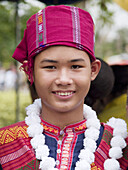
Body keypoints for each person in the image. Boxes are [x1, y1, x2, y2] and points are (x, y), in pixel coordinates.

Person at [0, 5, 127, 170]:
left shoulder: (119, 147)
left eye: (75, 67)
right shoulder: (5, 146)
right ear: (30, 72)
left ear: (93, 70)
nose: (63, 79)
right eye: (50, 67)